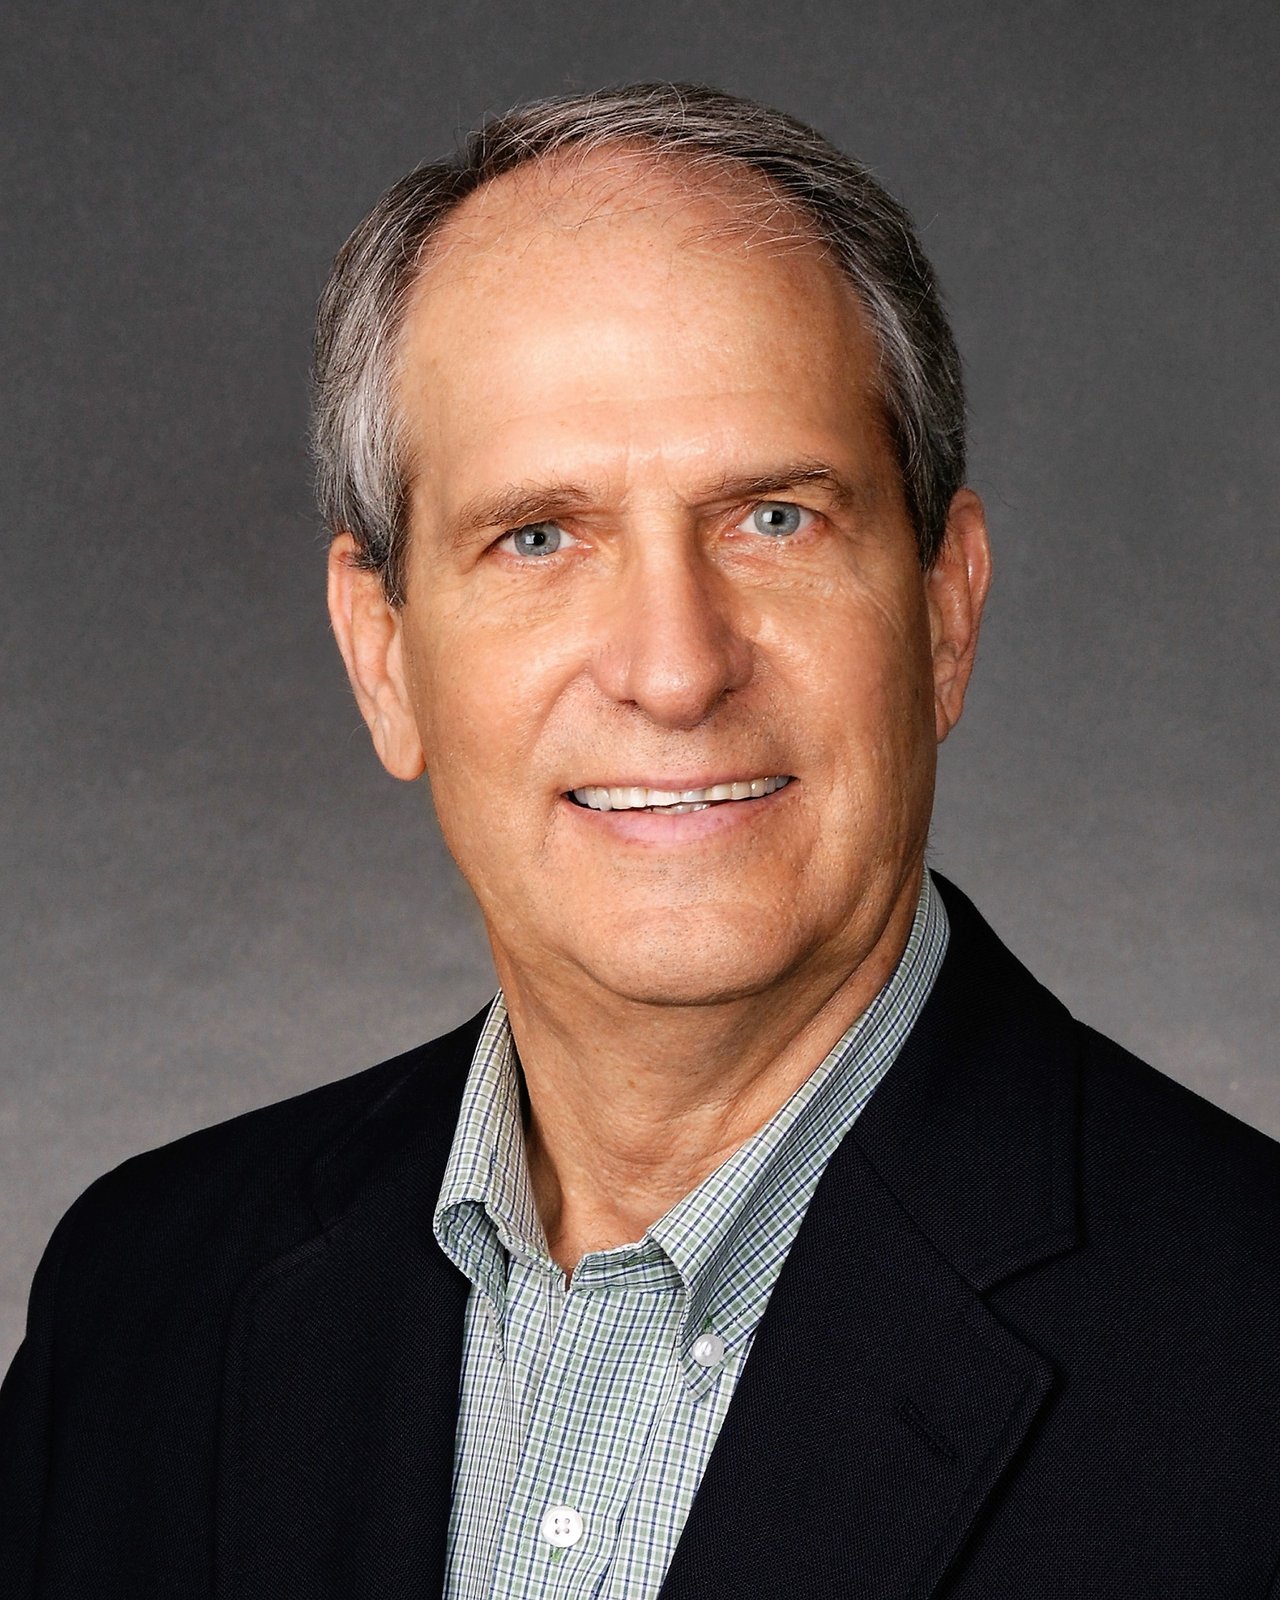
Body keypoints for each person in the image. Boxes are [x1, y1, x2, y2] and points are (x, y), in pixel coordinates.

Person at [1, 81, 1277, 1600]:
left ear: (946, 612)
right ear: (382, 655)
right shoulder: (143, 1305)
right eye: (538, 536)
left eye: (775, 518)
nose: (675, 670)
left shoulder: (1251, 1359)